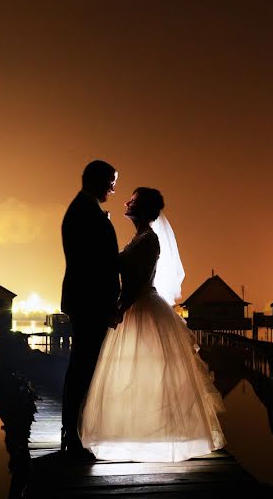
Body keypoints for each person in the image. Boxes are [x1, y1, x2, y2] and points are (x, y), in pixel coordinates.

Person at [80, 187, 226, 462]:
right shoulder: (140, 237)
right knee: (133, 371)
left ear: (144, 209)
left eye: (133, 201)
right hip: (137, 305)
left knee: (145, 370)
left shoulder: (148, 240)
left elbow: (138, 280)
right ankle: (136, 433)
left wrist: (121, 308)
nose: (127, 202)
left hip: (141, 306)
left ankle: (151, 434)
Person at [60, 160, 121, 460]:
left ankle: (73, 432)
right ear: (96, 180)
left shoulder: (83, 209)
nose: (114, 187)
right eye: (111, 181)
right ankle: (72, 436)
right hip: (89, 301)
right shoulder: (83, 212)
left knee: (83, 367)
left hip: (87, 300)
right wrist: (110, 301)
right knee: (83, 367)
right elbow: (95, 265)